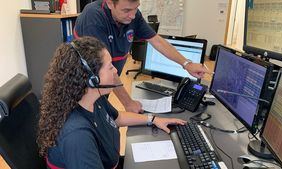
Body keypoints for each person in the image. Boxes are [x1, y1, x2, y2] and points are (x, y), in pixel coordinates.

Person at [37, 36, 186, 169]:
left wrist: (153, 119)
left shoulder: (93, 98)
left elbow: (116, 118)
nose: (115, 71)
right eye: (110, 67)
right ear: (92, 79)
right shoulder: (77, 135)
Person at [74, 0, 211, 113]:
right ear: (110, 3)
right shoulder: (93, 17)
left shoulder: (133, 15)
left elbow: (156, 41)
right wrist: (128, 103)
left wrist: (186, 64)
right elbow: (104, 67)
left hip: (104, 85)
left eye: (136, 8)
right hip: (82, 89)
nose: (132, 15)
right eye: (127, 10)